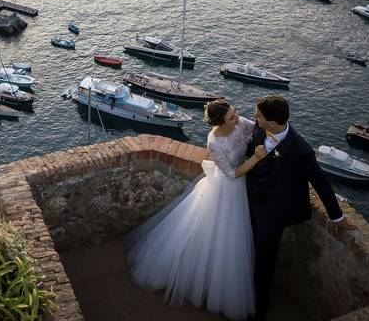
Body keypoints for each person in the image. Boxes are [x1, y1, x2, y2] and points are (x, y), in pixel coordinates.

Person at [125, 100, 265, 321]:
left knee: (226, 240)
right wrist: (256, 158)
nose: (237, 118)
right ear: (220, 123)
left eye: (235, 112)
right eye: (232, 117)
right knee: (219, 239)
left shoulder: (240, 124)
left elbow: (257, 130)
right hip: (227, 187)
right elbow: (230, 173)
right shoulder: (214, 143)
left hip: (239, 185)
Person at [246, 95, 355, 319]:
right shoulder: (260, 126)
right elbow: (250, 151)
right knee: (247, 248)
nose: (254, 117)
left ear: (273, 122)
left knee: (264, 261)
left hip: (273, 213)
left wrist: (337, 217)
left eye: (258, 115)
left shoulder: (300, 150)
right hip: (250, 200)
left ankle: (258, 309)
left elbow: (321, 183)